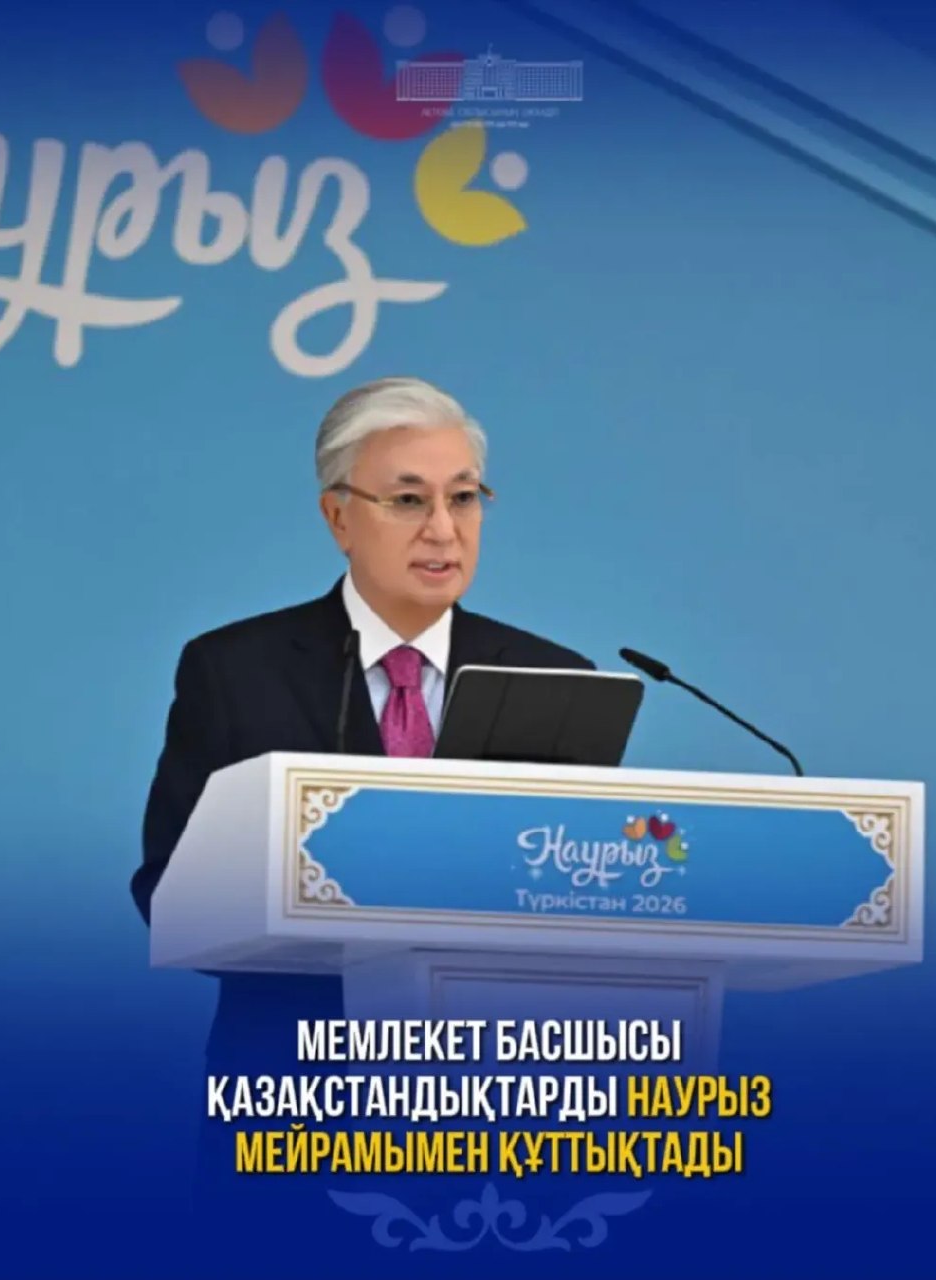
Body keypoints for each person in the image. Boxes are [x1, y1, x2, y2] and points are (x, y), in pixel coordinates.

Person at [130, 377, 595, 1212]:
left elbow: (579, 888)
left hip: (495, 1104)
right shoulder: (235, 670)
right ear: (338, 517)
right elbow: (167, 888)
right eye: (409, 499)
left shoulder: (555, 677)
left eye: (464, 497)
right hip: (292, 1098)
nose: (443, 529)